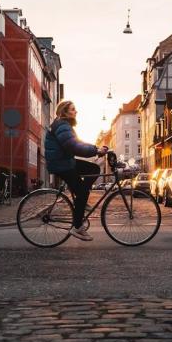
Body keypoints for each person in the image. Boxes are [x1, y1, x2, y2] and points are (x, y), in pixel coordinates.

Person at [45, 100, 108, 241]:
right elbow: (73, 146)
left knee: (94, 168)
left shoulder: (64, 125)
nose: (76, 111)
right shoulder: (62, 125)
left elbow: (77, 142)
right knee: (82, 191)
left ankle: (81, 198)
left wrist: (95, 148)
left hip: (66, 161)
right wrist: (95, 151)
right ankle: (77, 227)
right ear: (65, 112)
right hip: (61, 164)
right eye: (73, 109)